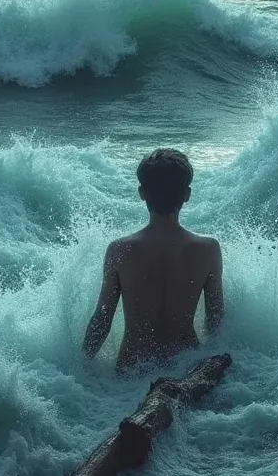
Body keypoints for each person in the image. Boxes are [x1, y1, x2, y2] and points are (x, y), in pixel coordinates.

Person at [82, 148, 224, 373]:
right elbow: (215, 320)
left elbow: (102, 319)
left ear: (142, 193)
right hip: (184, 370)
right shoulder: (208, 250)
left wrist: (81, 370)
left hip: (131, 373)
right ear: (187, 194)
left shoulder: (119, 250)